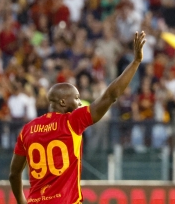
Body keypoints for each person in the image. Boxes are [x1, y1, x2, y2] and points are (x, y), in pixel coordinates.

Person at [8, 31, 147, 204]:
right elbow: (110, 96)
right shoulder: (72, 122)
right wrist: (136, 62)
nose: (80, 103)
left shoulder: (27, 130)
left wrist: (22, 202)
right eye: (76, 98)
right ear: (63, 102)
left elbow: (14, 175)